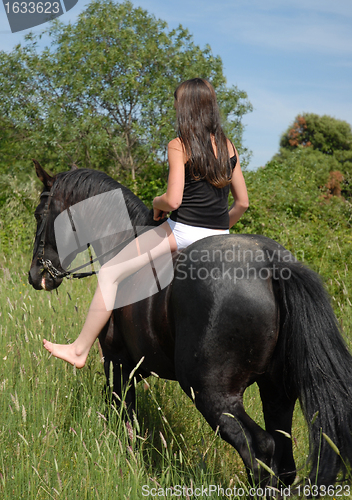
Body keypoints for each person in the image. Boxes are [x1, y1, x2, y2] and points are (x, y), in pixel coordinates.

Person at [43, 78, 249, 368]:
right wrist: (217, 228)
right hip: (220, 236)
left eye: (177, 103)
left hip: (182, 234)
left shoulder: (180, 145)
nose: (175, 108)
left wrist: (155, 202)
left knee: (110, 273)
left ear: (186, 108)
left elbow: (174, 201)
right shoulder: (229, 147)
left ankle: (79, 350)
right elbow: (242, 203)